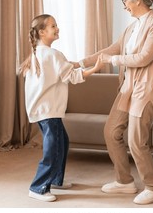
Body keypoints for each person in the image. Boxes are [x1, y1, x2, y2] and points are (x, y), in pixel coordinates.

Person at [77, 0, 153, 205]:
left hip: (145, 90)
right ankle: (125, 181)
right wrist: (80, 62)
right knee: (111, 132)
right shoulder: (132, 26)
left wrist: (113, 60)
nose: (124, 5)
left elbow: (144, 57)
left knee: (136, 141)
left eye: (124, 0)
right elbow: (113, 49)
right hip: (127, 88)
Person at [19, 14, 104, 202]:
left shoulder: (37, 55)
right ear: (42, 32)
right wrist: (95, 68)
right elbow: (72, 76)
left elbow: (65, 69)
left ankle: (56, 179)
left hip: (40, 110)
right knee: (54, 148)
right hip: (49, 110)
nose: (57, 28)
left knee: (61, 141)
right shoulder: (53, 55)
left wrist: (79, 64)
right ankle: (38, 187)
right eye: (53, 26)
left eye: (56, 25)